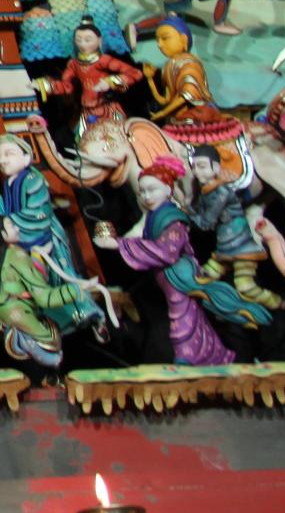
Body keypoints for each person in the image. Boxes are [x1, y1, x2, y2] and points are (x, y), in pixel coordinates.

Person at [94, 156, 269, 365]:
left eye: (152, 190)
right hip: (168, 279)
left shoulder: (173, 218)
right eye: (142, 192)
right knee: (194, 318)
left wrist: (119, 244)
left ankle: (186, 357)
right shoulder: (153, 216)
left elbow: (166, 251)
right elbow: (150, 243)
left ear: (168, 190)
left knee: (182, 318)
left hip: (179, 276)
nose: (147, 196)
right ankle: (216, 356)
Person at [0, 133, 105, 367]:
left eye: (9, 154)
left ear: (26, 158)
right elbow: (4, 208)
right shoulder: (10, 183)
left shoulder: (33, 180)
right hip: (20, 243)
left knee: (56, 281)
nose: (3, 160)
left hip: (42, 238)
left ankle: (88, 315)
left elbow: (37, 213)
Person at [183, 143, 284, 311]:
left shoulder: (221, 193)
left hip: (241, 247)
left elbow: (206, 223)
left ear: (216, 167)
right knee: (201, 277)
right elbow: (198, 211)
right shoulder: (206, 191)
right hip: (225, 247)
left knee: (245, 286)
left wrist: (186, 211)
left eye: (202, 166)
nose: (197, 172)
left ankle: (280, 305)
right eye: (194, 167)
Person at [35, 16, 142, 127]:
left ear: (99, 40)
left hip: (107, 108)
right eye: (79, 40)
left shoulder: (104, 60)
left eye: (87, 40)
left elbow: (135, 73)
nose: (83, 44)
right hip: (87, 111)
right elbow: (67, 86)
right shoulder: (74, 64)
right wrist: (46, 85)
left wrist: (110, 82)